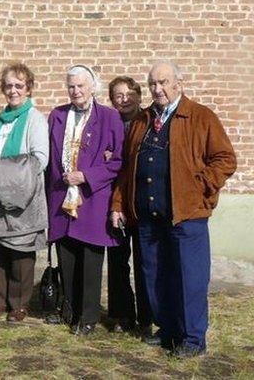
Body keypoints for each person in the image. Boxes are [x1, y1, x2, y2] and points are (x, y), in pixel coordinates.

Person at [111, 61, 237, 358]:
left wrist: (201, 186)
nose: (158, 89)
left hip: (186, 215)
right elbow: (126, 169)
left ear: (178, 83)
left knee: (189, 278)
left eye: (164, 82)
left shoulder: (200, 116)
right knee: (155, 275)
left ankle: (192, 339)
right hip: (148, 217)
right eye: (153, 83)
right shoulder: (142, 120)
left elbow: (225, 159)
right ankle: (166, 329)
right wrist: (118, 203)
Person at [46, 64, 124, 336]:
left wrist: (86, 176)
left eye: (80, 86)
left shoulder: (109, 117)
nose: (76, 91)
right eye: (71, 86)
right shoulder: (57, 115)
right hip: (60, 198)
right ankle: (69, 310)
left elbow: (117, 162)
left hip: (91, 199)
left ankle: (88, 317)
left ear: (92, 87)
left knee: (90, 261)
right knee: (66, 256)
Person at [0, 63, 49, 323]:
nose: (13, 90)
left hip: (23, 190)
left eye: (18, 86)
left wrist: (6, 171)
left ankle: (19, 303)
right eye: (8, 86)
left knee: (21, 248)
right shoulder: (0, 119)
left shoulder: (34, 119)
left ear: (28, 88)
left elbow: (40, 158)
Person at [106, 75, 153, 338]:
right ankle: (122, 314)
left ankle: (147, 316)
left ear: (138, 95)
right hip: (114, 201)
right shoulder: (109, 122)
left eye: (128, 94)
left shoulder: (147, 121)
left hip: (141, 200)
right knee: (117, 261)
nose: (124, 100)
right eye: (117, 96)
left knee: (145, 262)